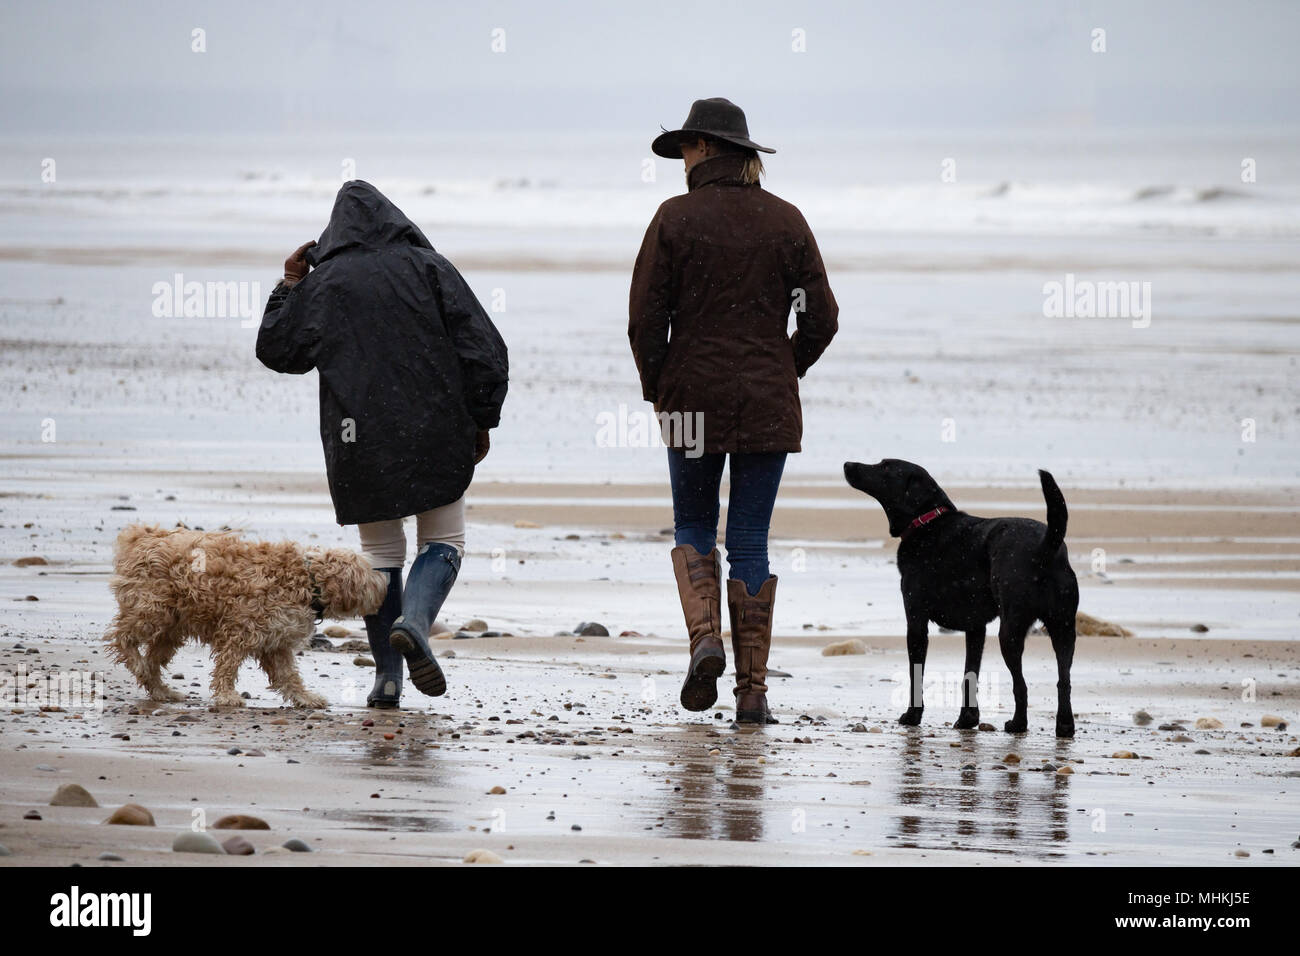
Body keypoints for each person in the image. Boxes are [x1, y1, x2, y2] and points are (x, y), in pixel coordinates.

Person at [257, 180, 508, 708]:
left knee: (380, 557)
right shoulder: (430, 268)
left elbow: (279, 351)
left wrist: (288, 284)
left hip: (358, 439)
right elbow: (485, 349)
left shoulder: (325, 284)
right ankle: (416, 621)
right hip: (435, 429)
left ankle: (388, 681)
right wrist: (483, 419)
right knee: (444, 542)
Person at [629, 98, 838, 724]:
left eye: (688, 147)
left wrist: (658, 385)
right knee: (750, 539)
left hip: (690, 397)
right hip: (768, 405)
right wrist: (784, 367)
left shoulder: (674, 219)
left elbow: (645, 319)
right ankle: (752, 693)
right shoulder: (786, 222)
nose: (683, 158)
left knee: (694, 524)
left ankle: (704, 642)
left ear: (708, 149)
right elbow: (821, 318)